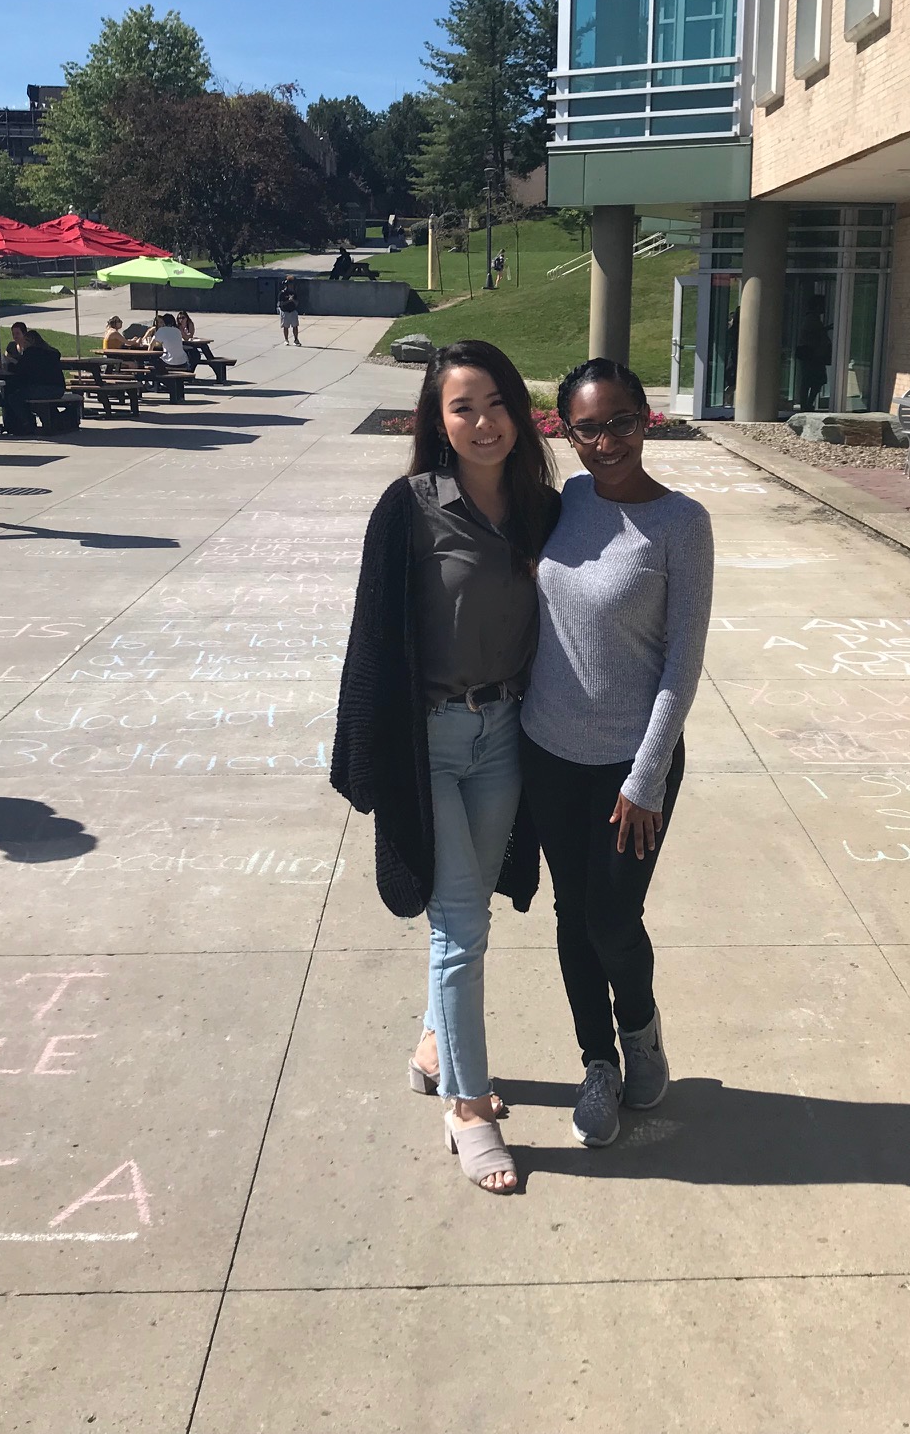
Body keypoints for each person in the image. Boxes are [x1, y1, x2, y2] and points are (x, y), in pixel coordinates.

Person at [330, 339, 560, 1195]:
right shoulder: (408, 509)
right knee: (456, 921)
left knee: (472, 915)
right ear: (438, 420)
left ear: (518, 411)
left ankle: (434, 1040)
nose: (482, 421)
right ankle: (468, 1108)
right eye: (462, 407)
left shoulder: (543, 508)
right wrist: (366, 756)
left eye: (496, 401)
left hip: (504, 732)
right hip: (424, 738)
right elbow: (370, 640)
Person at [520, 357, 712, 1149]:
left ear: (647, 419)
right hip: (548, 754)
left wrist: (647, 775)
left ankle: (639, 1032)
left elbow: (682, 662)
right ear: (566, 430)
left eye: (622, 422)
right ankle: (597, 1064)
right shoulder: (568, 501)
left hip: (634, 766)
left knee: (613, 916)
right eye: (588, 427)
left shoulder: (681, 523)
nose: (607, 442)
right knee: (573, 916)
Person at [0, 323, 66, 436]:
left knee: (14, 398)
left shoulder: (31, 353)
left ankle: (27, 422)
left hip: (44, 388)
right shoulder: (51, 352)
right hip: (59, 388)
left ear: (30, 342)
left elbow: (20, 371)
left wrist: (8, 364)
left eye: (25, 342)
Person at [277, 279, 301, 346]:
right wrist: (288, 301)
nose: (291, 286)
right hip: (285, 312)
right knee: (286, 326)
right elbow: (281, 304)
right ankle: (286, 340)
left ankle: (296, 339)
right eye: (290, 285)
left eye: (292, 285)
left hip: (293, 311)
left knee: (295, 326)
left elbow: (297, 303)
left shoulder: (294, 293)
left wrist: (293, 300)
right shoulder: (282, 293)